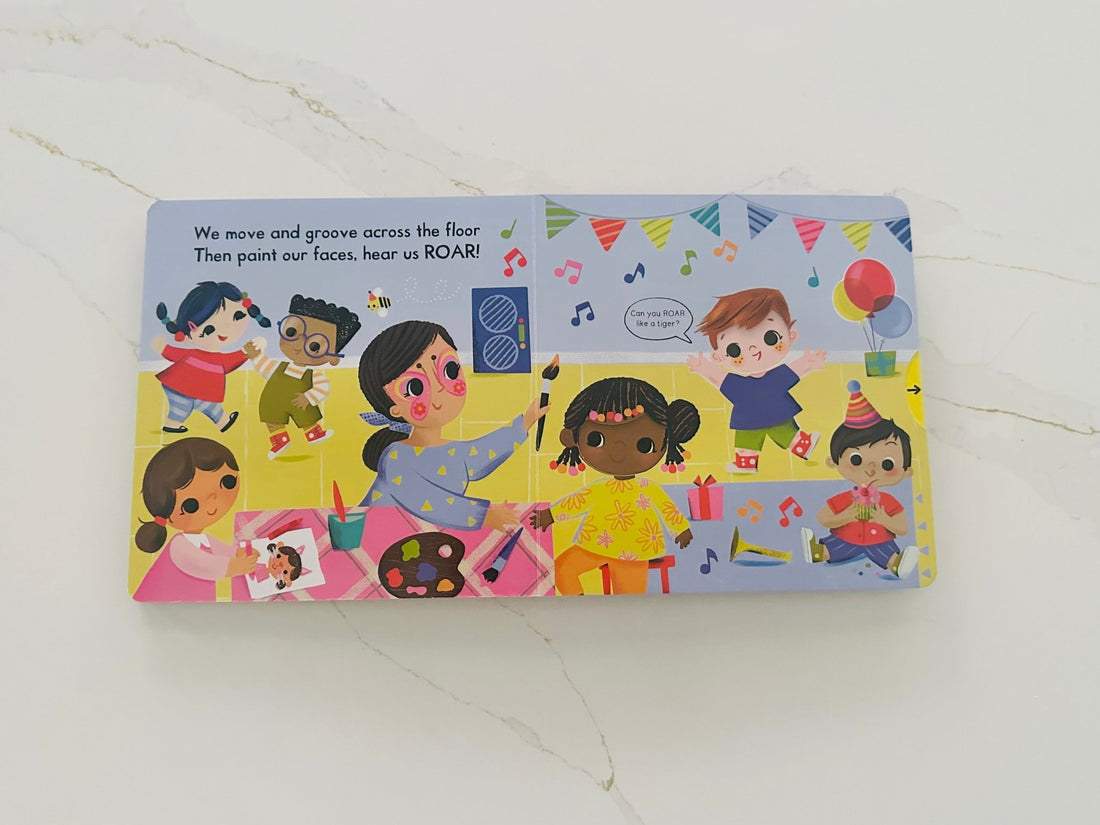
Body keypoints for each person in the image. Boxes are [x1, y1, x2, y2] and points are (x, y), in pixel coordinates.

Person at [357, 319, 548, 531]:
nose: (439, 387)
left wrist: (526, 420)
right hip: (371, 537)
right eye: (415, 387)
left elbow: (482, 453)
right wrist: (485, 515)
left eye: (449, 370)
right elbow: (430, 502)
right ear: (395, 409)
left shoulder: (452, 452)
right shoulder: (396, 458)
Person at [529, 377, 697, 595]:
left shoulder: (648, 488)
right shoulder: (600, 488)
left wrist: (680, 528)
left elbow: (666, 508)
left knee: (629, 600)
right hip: (595, 544)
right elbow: (577, 502)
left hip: (636, 550)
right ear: (571, 438)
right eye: (596, 439)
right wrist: (551, 515)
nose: (618, 453)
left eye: (644, 444)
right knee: (561, 569)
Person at [687, 287, 825, 473]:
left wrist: (808, 362)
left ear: (791, 335)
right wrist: (704, 368)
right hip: (763, 415)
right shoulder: (741, 384)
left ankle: (800, 446)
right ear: (718, 356)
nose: (753, 351)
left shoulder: (771, 379)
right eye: (734, 349)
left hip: (761, 415)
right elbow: (718, 377)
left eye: (770, 338)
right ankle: (755, 461)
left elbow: (796, 370)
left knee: (780, 433)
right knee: (751, 440)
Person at [800, 381, 919, 578]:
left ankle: (897, 564)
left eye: (887, 464)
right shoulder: (847, 499)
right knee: (835, 546)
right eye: (856, 460)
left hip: (879, 541)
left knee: (885, 551)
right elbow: (823, 518)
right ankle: (818, 552)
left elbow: (903, 528)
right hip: (846, 539)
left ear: (906, 471)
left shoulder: (887, 502)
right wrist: (846, 516)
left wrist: (884, 519)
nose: (871, 470)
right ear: (833, 462)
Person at [133, 437, 258, 601]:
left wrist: (239, 553)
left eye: (228, 482)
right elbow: (205, 565)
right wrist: (235, 566)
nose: (214, 501)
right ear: (168, 516)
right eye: (191, 505)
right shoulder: (179, 546)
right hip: (171, 601)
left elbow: (222, 550)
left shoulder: (203, 540)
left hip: (194, 604)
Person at [243, 294, 362, 458]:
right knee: (272, 420)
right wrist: (256, 356)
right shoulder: (279, 367)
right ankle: (280, 441)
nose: (299, 344)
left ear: (333, 358)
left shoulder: (311, 375)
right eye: (291, 332)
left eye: (314, 346)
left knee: (307, 418)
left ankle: (314, 433)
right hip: (273, 403)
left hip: (300, 403)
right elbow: (265, 368)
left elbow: (322, 387)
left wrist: (309, 397)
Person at [152, 281, 270, 434]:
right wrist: (163, 349)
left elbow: (230, 362)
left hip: (198, 389)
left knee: (208, 404)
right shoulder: (196, 355)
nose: (225, 329)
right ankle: (173, 424)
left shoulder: (208, 357)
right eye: (209, 329)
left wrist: (247, 352)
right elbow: (176, 354)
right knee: (183, 406)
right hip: (178, 386)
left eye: (237, 316)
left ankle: (223, 421)